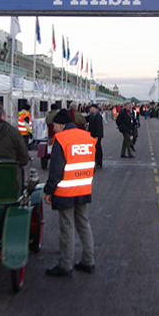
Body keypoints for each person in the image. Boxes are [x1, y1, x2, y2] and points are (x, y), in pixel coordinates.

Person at [44, 109, 96, 278]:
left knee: (67, 227)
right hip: (83, 188)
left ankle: (65, 265)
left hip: (66, 190)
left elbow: (56, 169)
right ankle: (88, 261)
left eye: (55, 127)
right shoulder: (87, 137)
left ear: (61, 125)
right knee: (83, 224)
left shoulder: (61, 139)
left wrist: (49, 190)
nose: (54, 130)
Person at [86, 103, 104, 169]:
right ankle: (96, 162)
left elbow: (99, 127)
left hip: (96, 135)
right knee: (95, 149)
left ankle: (99, 163)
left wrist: (97, 136)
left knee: (98, 148)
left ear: (94, 109)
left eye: (91, 108)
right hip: (93, 134)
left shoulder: (98, 116)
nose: (89, 109)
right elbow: (86, 119)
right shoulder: (92, 115)